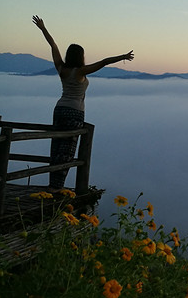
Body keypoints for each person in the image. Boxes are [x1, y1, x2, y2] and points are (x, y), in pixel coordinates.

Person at [33, 15, 134, 189]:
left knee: (57, 146)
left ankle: (52, 184)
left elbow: (53, 44)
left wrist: (43, 28)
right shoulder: (81, 71)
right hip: (75, 111)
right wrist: (123, 56)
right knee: (68, 149)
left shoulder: (61, 68)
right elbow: (104, 62)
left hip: (59, 109)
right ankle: (58, 186)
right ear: (81, 56)